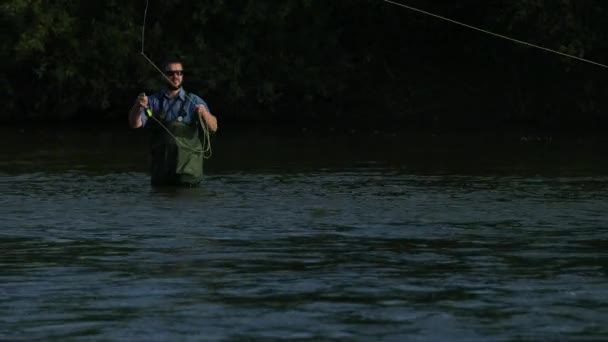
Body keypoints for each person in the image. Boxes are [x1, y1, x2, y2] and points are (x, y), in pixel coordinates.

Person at [129, 59, 218, 186]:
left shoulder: (194, 100)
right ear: (163, 75)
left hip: (188, 174)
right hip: (161, 173)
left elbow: (213, 127)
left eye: (179, 73)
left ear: (182, 75)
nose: (175, 76)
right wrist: (138, 106)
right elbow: (135, 124)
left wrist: (204, 114)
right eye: (171, 73)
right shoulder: (153, 101)